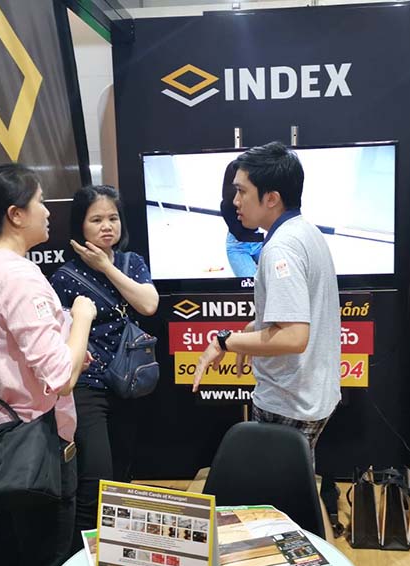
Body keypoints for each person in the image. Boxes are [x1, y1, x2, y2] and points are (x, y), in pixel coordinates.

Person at [0, 163, 97, 566]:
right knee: (44, 563)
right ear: (16, 214)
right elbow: (60, 377)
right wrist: (81, 317)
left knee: (8, 557)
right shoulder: (17, 277)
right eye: (40, 202)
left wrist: (68, 342)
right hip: (36, 445)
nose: (48, 211)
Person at [193, 142, 341, 460]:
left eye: (242, 191)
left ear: (271, 198)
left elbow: (294, 336)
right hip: (311, 395)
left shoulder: (280, 249)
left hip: (289, 401)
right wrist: (253, 329)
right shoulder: (306, 231)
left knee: (276, 487)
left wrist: (225, 341)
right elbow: (300, 312)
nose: (235, 201)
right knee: (293, 479)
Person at [49, 185, 159, 544]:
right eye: (96, 219)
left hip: (129, 383)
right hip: (86, 386)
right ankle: (81, 555)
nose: (106, 226)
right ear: (80, 225)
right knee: (94, 480)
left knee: (123, 477)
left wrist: (106, 268)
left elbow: (149, 304)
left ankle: (118, 551)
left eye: (112, 218)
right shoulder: (64, 277)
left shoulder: (131, 263)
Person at [221, 160, 264, 277]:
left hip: (257, 242)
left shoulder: (255, 197)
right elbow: (239, 234)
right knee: (251, 282)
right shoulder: (227, 205)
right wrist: (266, 237)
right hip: (238, 246)